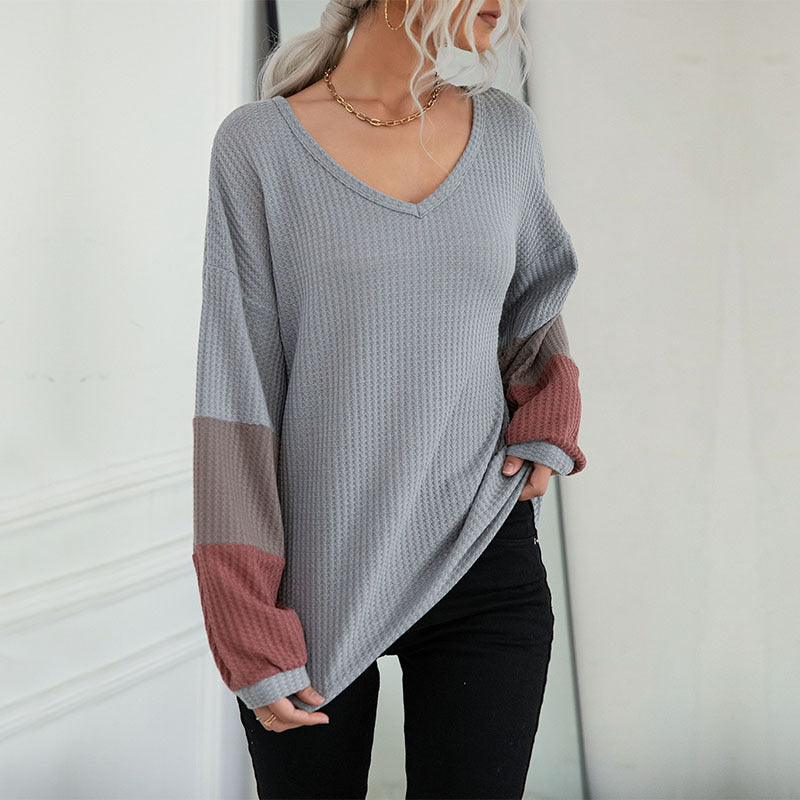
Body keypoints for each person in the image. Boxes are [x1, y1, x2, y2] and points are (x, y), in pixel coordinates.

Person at [191, 0, 586, 797]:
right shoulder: (258, 147)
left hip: (483, 548)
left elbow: (531, 309)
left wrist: (548, 418)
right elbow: (237, 391)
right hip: (315, 574)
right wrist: (246, 618)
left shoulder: (507, 133)